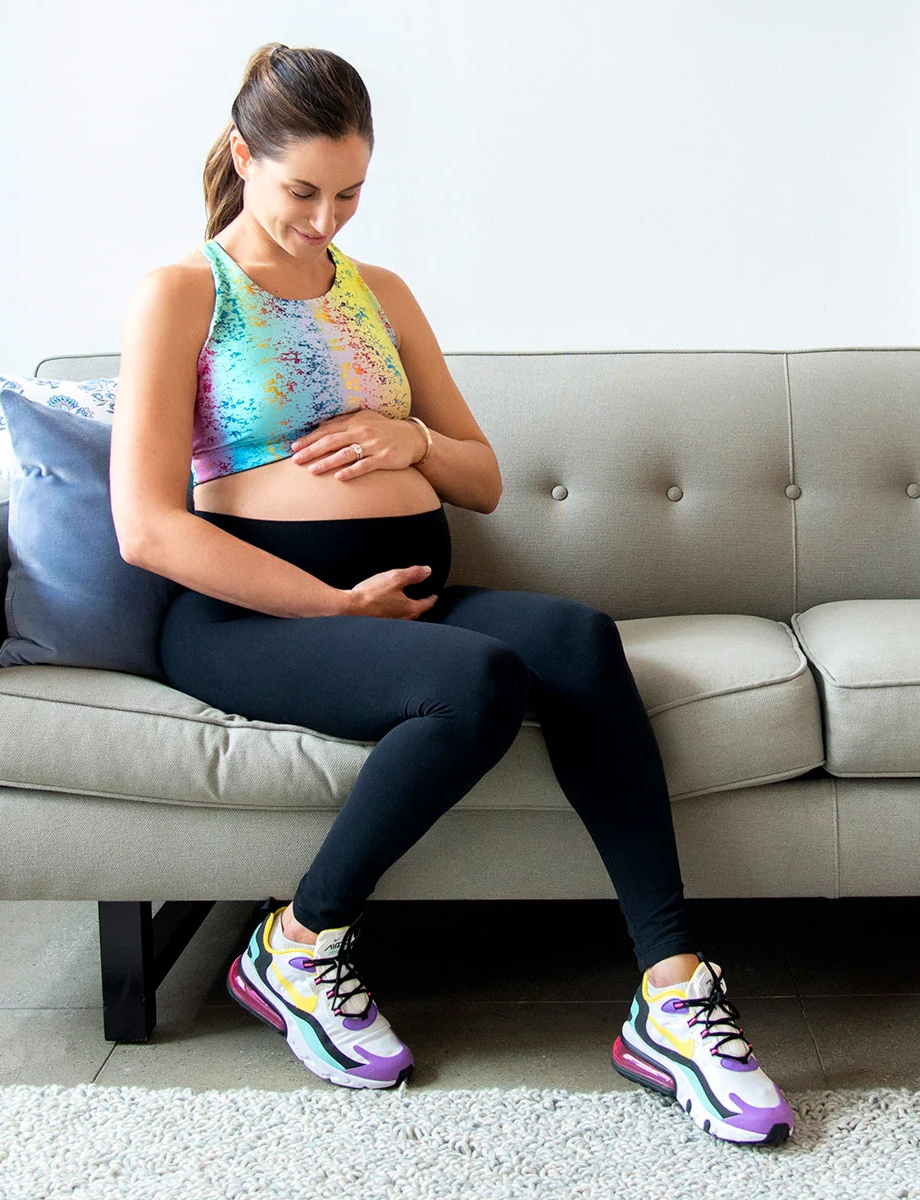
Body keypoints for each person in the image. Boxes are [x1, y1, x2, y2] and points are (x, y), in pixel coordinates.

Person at [106, 42, 791, 1147]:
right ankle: (299, 945)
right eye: (301, 192)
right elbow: (147, 526)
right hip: (246, 618)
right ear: (244, 156)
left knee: (574, 639)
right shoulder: (184, 292)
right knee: (473, 681)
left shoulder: (381, 294)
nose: (327, 219)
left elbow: (478, 477)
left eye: (350, 192)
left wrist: (406, 434)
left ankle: (670, 995)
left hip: (408, 592)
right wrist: (330, 607)